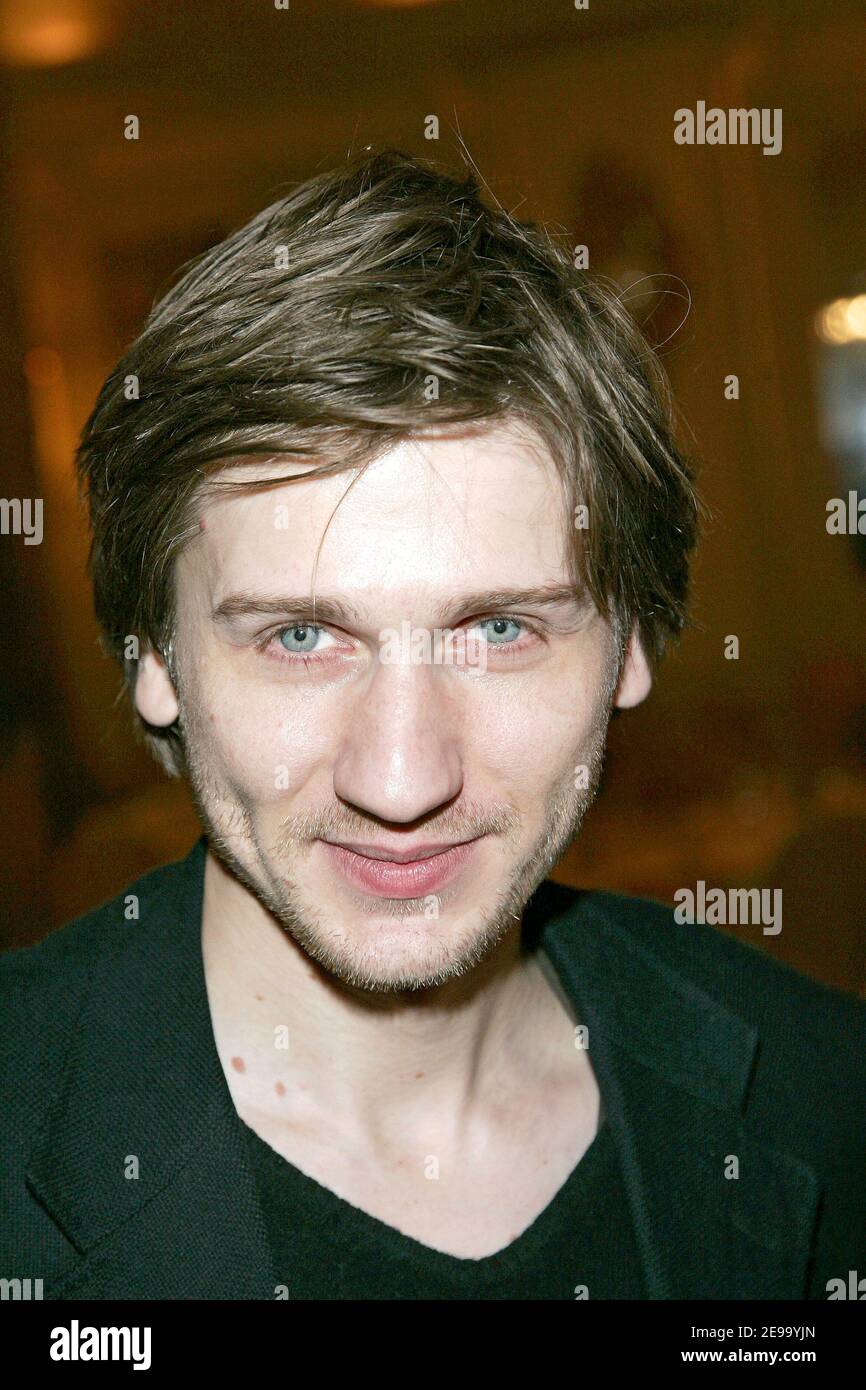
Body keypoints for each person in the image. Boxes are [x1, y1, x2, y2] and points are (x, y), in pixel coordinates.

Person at [2, 150, 864, 1301]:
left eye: (499, 630)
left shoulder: (824, 1096)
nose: (401, 780)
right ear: (153, 657)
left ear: (630, 646)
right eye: (300, 638)